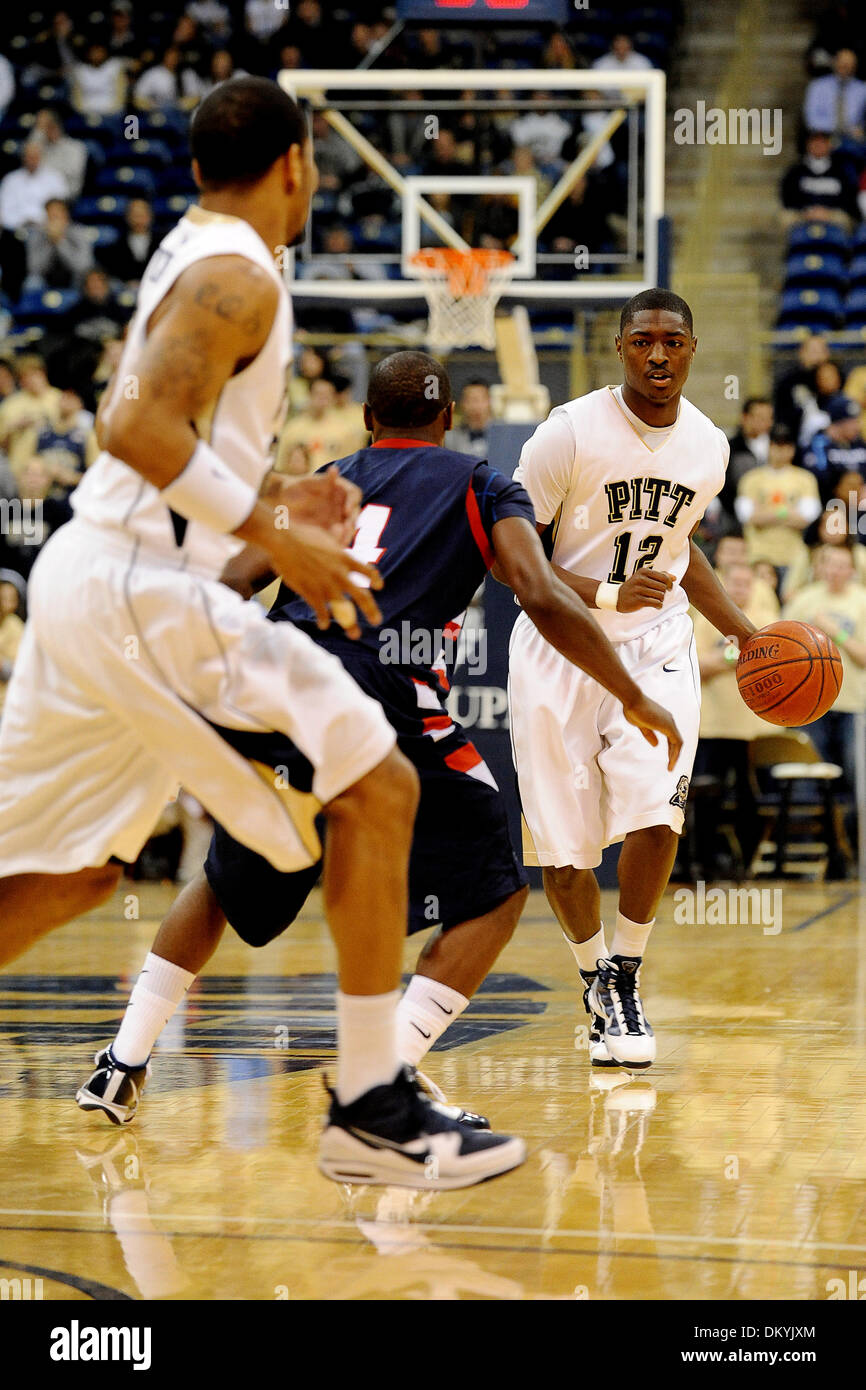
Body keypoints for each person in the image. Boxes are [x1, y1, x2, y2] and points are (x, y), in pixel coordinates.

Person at [0, 77, 521, 1192]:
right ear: (295, 164)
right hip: (143, 590)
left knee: (79, 872)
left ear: (194, 169)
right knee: (380, 784)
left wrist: (278, 499)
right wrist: (268, 533)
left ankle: (369, 1096)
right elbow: (130, 424)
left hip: (92, 584)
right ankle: (373, 1102)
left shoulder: (199, 248)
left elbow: (172, 439)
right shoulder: (240, 275)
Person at [76, 349, 680, 1131]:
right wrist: (631, 693)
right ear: (451, 418)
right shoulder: (482, 482)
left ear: (366, 419)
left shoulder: (323, 483)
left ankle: (122, 1063)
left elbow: (227, 585)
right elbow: (538, 592)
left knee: (230, 879)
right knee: (496, 892)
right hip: (383, 689)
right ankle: (382, 1079)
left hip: (278, 676)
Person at [507, 288, 756, 1070]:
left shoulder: (709, 446)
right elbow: (515, 557)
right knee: (567, 853)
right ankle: (594, 980)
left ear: (691, 349)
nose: (657, 354)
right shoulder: (567, 435)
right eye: (643, 340)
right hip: (559, 648)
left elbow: (683, 550)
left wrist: (744, 632)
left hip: (657, 646)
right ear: (620, 348)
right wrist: (603, 593)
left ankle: (627, 972)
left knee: (659, 811)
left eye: (672, 342)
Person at [784, 544, 866, 797]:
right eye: (830, 564)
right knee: (806, 776)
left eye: (842, 566)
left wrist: (834, 631)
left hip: (851, 703)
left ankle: (852, 836)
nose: (835, 571)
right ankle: (806, 836)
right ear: (820, 567)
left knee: (854, 775)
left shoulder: (862, 600)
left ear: (852, 570)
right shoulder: (804, 599)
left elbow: (863, 656)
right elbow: (781, 645)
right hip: (809, 703)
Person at [734, 422, 822, 582]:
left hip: (794, 556)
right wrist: (788, 512)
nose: (780, 451)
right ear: (769, 446)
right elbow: (748, 516)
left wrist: (767, 512)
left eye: (785, 446)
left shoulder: (805, 479)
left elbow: (805, 518)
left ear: (792, 449)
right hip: (758, 556)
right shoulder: (752, 479)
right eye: (776, 445)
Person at [780, 130, 859, 229]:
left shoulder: (841, 171)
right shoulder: (795, 172)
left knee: (844, 219)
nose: (818, 145)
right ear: (807, 145)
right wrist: (807, 211)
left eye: (822, 142)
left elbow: (849, 199)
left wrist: (826, 212)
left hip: (832, 214)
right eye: (814, 142)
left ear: (829, 145)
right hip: (803, 214)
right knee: (786, 218)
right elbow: (787, 197)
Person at [803, 393, 866, 503]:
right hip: (829, 503)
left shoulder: (859, 443)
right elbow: (819, 477)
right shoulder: (818, 444)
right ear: (838, 423)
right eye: (852, 422)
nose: (857, 426)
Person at [25, 198, 94, 290]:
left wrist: (60, 241)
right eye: (51, 214)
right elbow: (34, 267)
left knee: (89, 282)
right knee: (32, 283)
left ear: (66, 214)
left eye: (57, 213)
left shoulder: (78, 231)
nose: (54, 217)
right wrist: (50, 241)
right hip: (46, 277)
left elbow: (83, 266)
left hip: (74, 276)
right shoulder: (37, 234)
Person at [803, 47, 866, 143]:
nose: (845, 67)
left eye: (848, 64)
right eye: (842, 63)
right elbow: (812, 120)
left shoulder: (862, 89)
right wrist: (843, 128)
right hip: (823, 137)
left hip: (854, 140)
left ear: (855, 66)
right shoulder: (818, 86)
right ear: (834, 63)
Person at [96, 199, 160, 286]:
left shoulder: (163, 244)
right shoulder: (115, 247)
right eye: (135, 215)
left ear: (150, 217)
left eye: (142, 215)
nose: (138, 220)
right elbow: (113, 275)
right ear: (127, 217)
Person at [447, 379, 493, 460]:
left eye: (480, 400)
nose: (476, 406)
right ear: (462, 403)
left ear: (489, 401)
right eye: (470, 400)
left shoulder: (502, 435)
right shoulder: (451, 437)